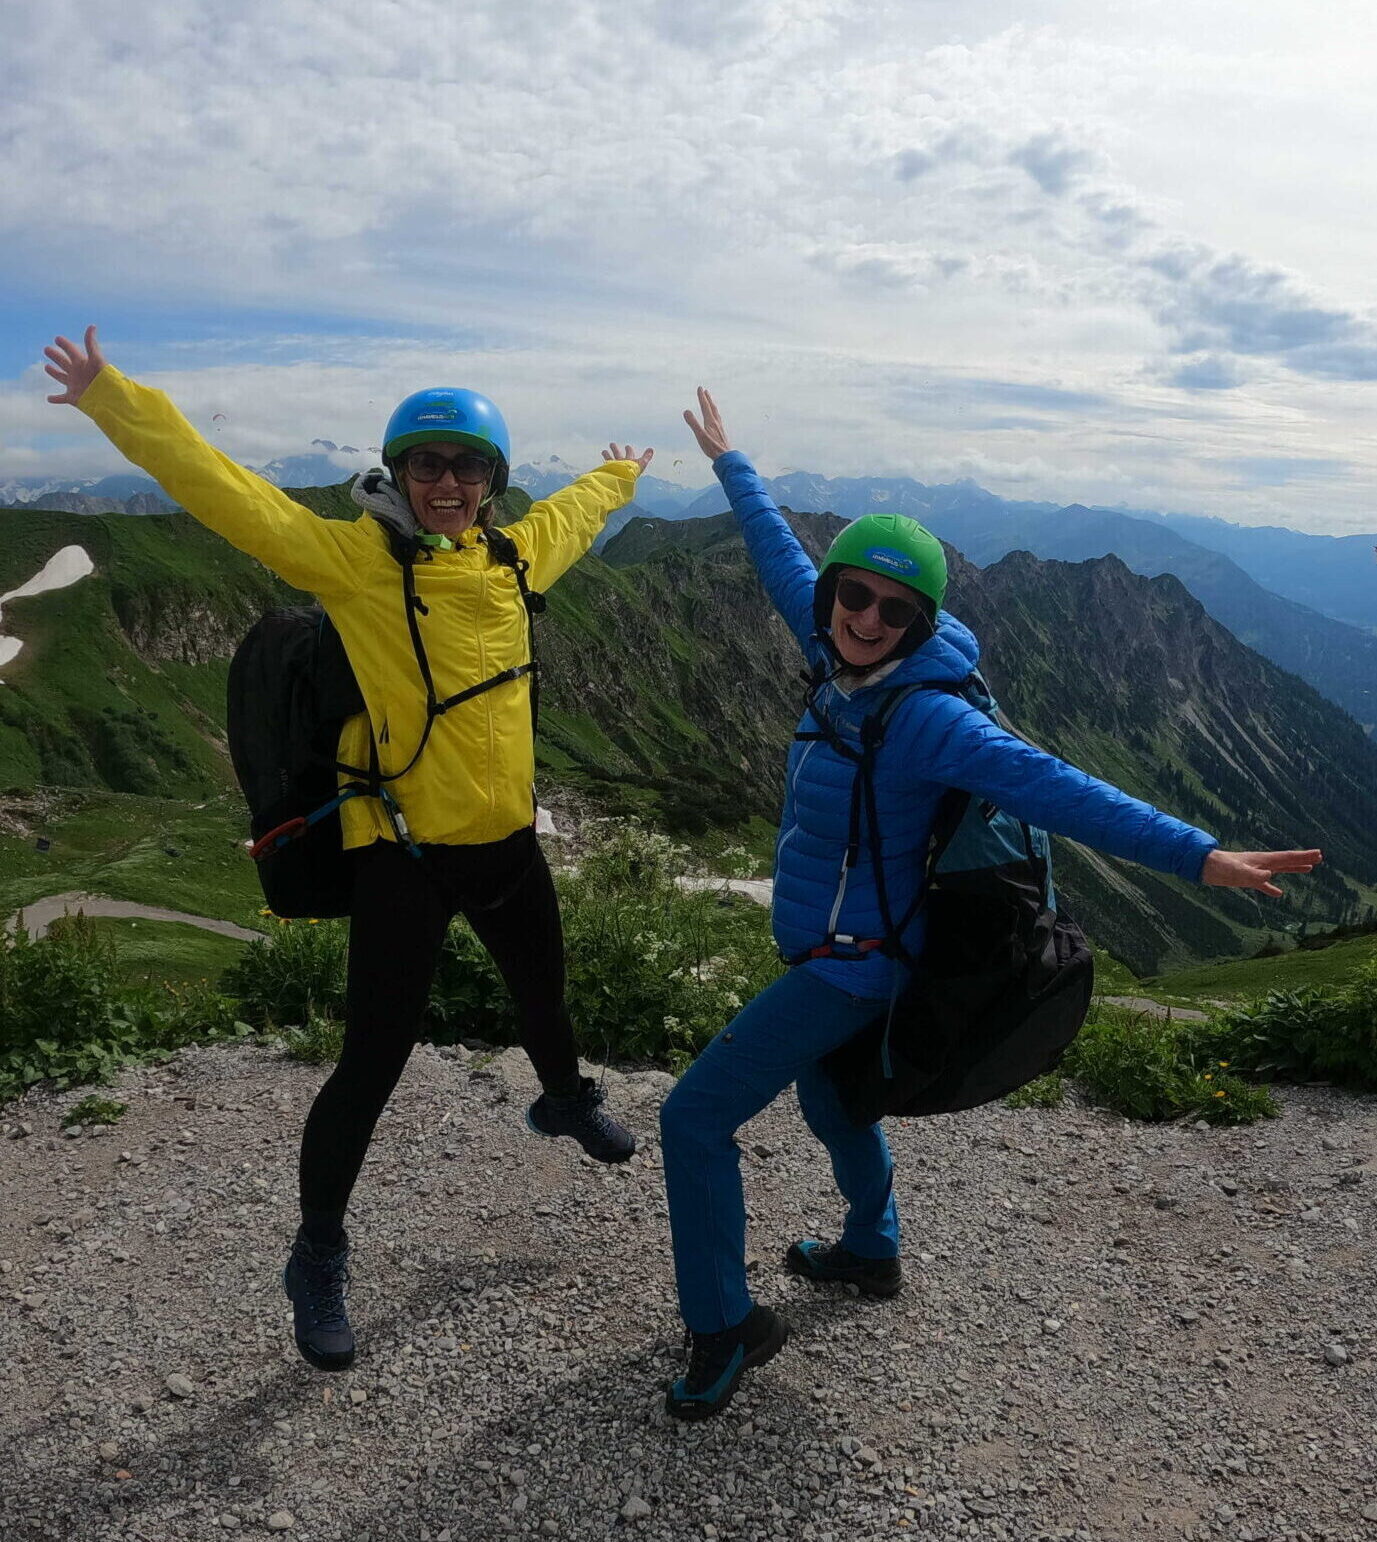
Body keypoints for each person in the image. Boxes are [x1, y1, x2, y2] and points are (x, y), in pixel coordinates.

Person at [659, 388, 1322, 1420]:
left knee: (693, 1117)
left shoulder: (928, 720)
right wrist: (731, 464)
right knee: (832, 1098)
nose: (867, 617)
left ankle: (725, 1325)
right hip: (858, 945)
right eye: (857, 596)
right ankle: (872, 1250)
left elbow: (1060, 787)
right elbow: (779, 556)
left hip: (856, 961)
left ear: (920, 623)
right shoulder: (833, 653)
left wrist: (1200, 857)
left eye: (895, 609)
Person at [44, 327, 654, 1372]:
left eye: (469, 467)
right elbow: (232, 495)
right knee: (370, 1063)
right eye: (428, 464)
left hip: (507, 843)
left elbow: (577, 516)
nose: (449, 484)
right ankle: (317, 1251)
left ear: (493, 483)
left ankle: (564, 1099)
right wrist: (114, 399)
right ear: (400, 473)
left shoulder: (515, 556)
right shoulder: (355, 565)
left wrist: (617, 474)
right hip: (403, 855)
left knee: (546, 1001)